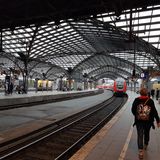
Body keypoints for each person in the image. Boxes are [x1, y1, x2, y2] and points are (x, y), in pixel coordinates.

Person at [132, 88, 160, 159]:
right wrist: (158, 121)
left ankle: (140, 151)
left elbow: (133, 110)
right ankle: (146, 144)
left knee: (140, 134)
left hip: (139, 121)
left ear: (140, 93)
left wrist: (138, 115)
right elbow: (154, 111)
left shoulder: (136, 100)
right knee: (147, 133)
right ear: (147, 93)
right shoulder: (150, 101)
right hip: (148, 122)